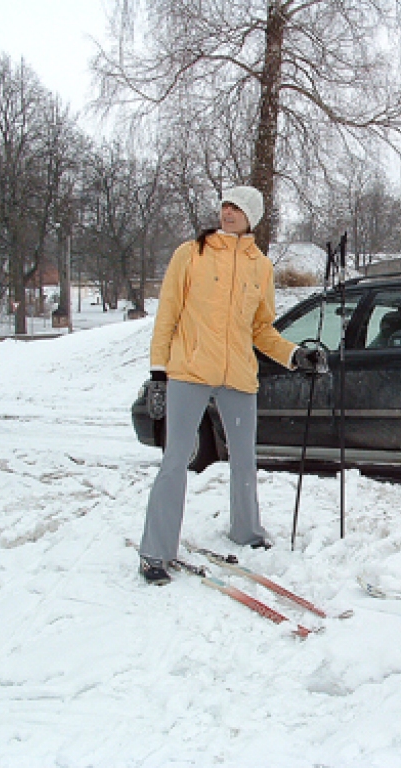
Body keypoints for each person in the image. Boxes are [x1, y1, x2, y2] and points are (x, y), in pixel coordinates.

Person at [138, 186, 326, 585]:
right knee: (175, 461)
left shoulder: (260, 265)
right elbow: (167, 314)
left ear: (252, 216)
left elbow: (261, 329)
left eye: (237, 208)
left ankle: (247, 531)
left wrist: (295, 355)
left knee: (244, 459)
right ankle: (155, 552)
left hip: (238, 374)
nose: (227, 212)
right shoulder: (191, 254)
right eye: (225, 205)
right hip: (189, 370)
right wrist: (158, 373)